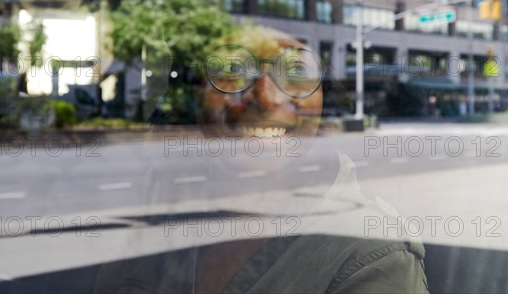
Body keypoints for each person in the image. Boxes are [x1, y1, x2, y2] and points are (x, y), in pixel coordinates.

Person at [94, 24, 429, 293]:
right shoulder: (164, 211)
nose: (267, 98)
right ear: (194, 96)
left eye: (296, 72)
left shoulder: (370, 251)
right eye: (232, 71)